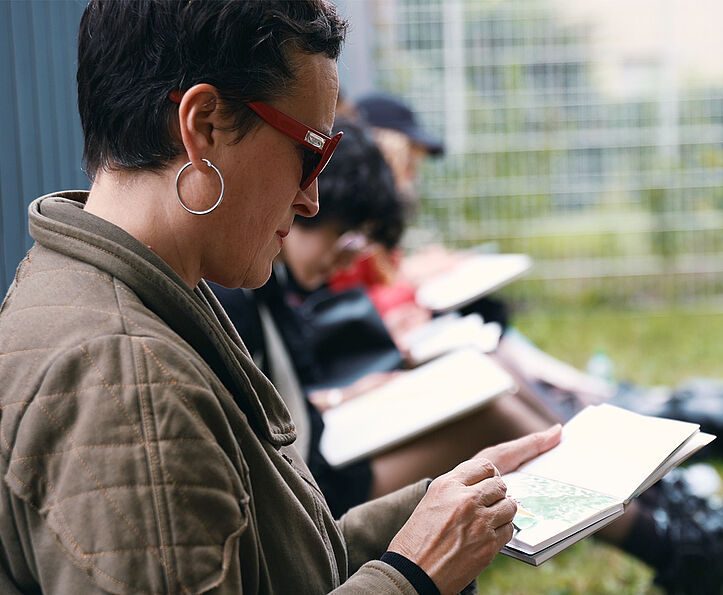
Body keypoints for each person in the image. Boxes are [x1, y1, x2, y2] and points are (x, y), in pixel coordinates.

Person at [0, 2, 565, 594]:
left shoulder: (121, 296)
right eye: (309, 152)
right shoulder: (131, 384)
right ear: (204, 126)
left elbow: (267, 568)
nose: (312, 198)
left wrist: (438, 510)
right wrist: (412, 578)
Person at [215, 119, 723, 595]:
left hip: (323, 454)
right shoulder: (247, 285)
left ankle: (675, 522)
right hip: (320, 478)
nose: (345, 260)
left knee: (485, 380)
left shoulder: (266, 282)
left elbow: (293, 395)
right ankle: (684, 550)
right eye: (339, 240)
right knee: (491, 417)